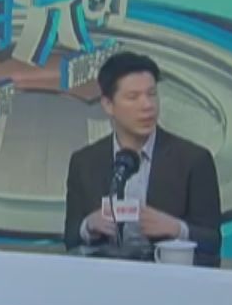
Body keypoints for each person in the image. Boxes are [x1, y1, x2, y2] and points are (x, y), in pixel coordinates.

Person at [64, 51, 223, 261]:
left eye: (152, 94)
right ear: (108, 104)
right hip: (103, 276)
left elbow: (213, 241)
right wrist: (88, 226)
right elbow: (70, 238)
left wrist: (176, 229)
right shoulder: (84, 162)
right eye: (133, 97)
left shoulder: (194, 160)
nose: (147, 105)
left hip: (167, 276)